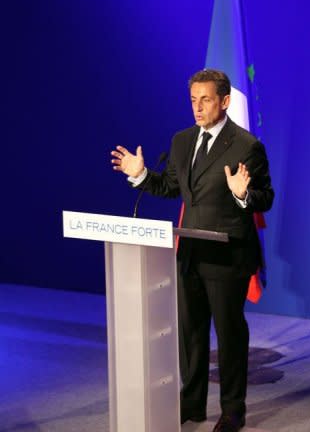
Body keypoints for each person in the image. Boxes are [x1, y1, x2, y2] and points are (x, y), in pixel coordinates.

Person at [111, 69, 274, 432]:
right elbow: (172, 187)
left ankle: (233, 411)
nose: (197, 108)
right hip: (190, 255)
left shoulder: (247, 146)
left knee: (230, 335)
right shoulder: (182, 141)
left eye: (205, 100)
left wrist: (243, 194)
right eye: (193, 101)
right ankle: (192, 402)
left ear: (225, 101)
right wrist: (141, 175)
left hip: (227, 256)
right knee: (192, 334)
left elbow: (266, 197)